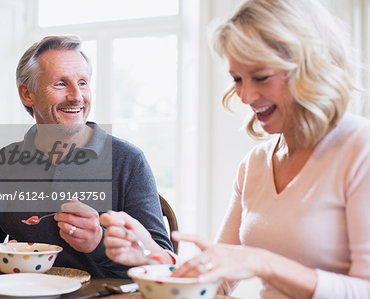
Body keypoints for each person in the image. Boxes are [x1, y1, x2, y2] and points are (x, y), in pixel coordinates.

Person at [101, 0, 370, 297]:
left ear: (310, 67)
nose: (245, 95)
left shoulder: (360, 148)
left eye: (261, 77)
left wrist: (261, 261)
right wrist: (149, 253)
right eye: (237, 79)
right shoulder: (255, 163)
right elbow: (219, 281)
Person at [0, 35, 173, 278]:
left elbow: (162, 263)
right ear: (27, 94)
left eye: (82, 83)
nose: (77, 96)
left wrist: (99, 244)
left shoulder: (128, 160)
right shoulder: (4, 162)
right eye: (61, 84)